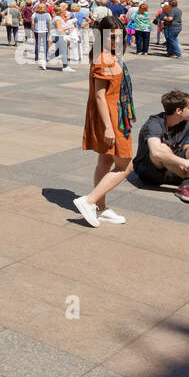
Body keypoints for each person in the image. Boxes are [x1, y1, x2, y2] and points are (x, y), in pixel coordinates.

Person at [73, 16, 136, 226]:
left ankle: (100, 208)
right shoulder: (104, 58)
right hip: (111, 116)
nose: (116, 41)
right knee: (126, 166)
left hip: (114, 112)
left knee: (105, 161)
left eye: (119, 36)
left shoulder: (111, 55)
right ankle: (89, 201)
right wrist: (108, 127)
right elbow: (99, 95)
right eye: (111, 37)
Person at [132, 90, 189, 203]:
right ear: (178, 111)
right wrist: (185, 163)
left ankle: (186, 184)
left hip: (175, 168)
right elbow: (156, 152)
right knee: (162, 148)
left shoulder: (187, 122)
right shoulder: (154, 123)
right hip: (151, 172)